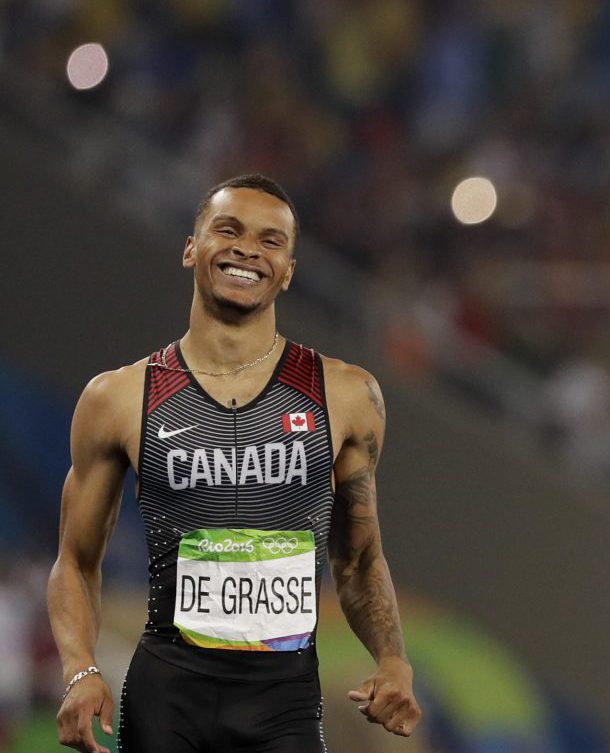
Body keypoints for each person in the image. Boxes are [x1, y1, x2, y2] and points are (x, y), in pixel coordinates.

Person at [47, 174, 421, 753]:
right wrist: (80, 668)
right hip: (167, 699)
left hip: (285, 704)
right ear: (191, 246)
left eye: (272, 241)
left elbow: (360, 556)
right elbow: (75, 559)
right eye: (228, 229)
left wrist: (393, 659)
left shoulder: (346, 396)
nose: (248, 249)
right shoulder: (118, 399)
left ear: (290, 270)